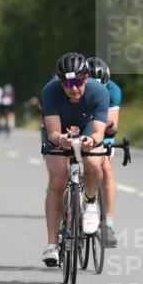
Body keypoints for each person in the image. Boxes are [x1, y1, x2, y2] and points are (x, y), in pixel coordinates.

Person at [39, 52, 110, 266]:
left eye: (78, 82)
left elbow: (99, 133)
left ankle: (89, 204)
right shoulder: (50, 92)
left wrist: (92, 140)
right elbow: (52, 132)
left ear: (86, 78)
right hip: (59, 131)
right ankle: (52, 244)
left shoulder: (99, 92)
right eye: (68, 83)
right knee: (58, 179)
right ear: (60, 82)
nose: (74, 88)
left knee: (95, 163)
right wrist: (61, 139)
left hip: (87, 126)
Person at [85, 57, 122, 247]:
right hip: (79, 122)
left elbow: (112, 127)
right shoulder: (75, 87)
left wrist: (104, 123)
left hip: (102, 127)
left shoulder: (113, 90)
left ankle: (107, 224)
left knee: (106, 167)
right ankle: (69, 209)